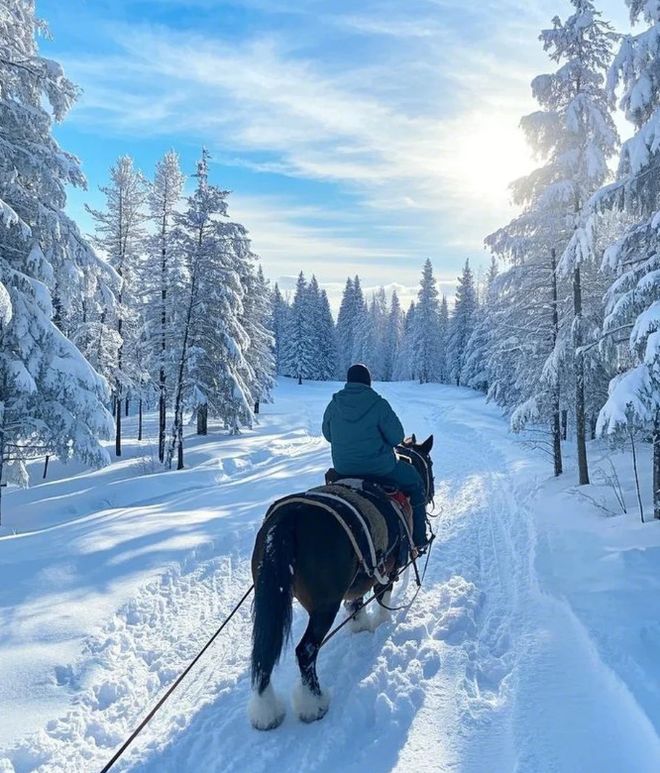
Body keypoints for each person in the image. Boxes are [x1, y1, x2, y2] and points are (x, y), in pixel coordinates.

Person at [321, 363, 428, 550]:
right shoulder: (378, 404)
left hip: (343, 469)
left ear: (348, 381)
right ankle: (418, 538)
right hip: (381, 469)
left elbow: (328, 434)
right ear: (368, 382)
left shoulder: (334, 404)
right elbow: (396, 438)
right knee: (415, 482)